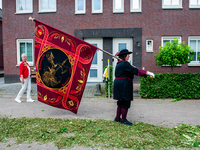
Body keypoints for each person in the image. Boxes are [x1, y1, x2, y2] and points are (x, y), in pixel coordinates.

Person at [113, 49, 155, 126]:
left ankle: (117, 118)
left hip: (118, 84)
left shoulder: (119, 64)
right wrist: (147, 73)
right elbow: (135, 71)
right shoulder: (125, 63)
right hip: (124, 84)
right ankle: (123, 120)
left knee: (121, 102)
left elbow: (131, 70)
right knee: (125, 102)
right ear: (125, 56)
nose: (129, 56)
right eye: (128, 55)